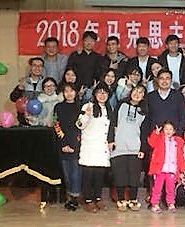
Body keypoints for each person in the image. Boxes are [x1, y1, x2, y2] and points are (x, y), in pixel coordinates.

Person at [109, 84, 149, 212]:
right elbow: (112, 123)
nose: (137, 94)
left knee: (134, 176)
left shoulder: (144, 112)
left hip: (135, 148)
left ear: (143, 97)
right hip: (119, 146)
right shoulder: (121, 105)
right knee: (119, 174)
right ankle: (121, 199)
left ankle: (133, 199)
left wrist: (142, 149)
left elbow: (144, 132)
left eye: (141, 92)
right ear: (131, 92)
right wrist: (110, 140)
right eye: (136, 91)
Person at [77, 82, 113, 213]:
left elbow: (111, 127)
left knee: (99, 175)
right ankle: (87, 199)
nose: (102, 95)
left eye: (105, 93)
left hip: (102, 147)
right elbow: (79, 124)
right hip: (90, 146)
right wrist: (86, 115)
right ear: (94, 94)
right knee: (89, 174)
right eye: (99, 92)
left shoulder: (109, 108)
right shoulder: (88, 106)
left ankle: (98, 198)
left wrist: (111, 141)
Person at [53, 83, 82, 211]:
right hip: (62, 144)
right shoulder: (58, 107)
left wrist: (74, 144)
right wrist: (64, 143)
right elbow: (56, 125)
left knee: (76, 173)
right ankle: (69, 196)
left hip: (77, 145)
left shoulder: (81, 107)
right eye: (66, 91)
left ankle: (75, 198)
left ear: (76, 92)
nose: (69, 93)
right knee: (67, 173)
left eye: (71, 91)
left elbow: (82, 126)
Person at [147, 121, 185, 213]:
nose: (168, 131)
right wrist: (156, 133)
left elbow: (180, 157)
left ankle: (171, 203)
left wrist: (182, 170)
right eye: (166, 129)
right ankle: (155, 204)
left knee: (170, 188)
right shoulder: (159, 139)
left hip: (172, 169)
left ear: (174, 131)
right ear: (163, 130)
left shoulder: (177, 142)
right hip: (160, 169)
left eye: (170, 129)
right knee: (157, 188)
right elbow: (151, 143)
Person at [9, 57, 45, 126]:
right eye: (34, 65)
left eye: (40, 66)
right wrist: (20, 88)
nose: (37, 68)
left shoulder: (46, 83)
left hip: (41, 121)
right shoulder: (24, 82)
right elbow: (13, 98)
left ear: (43, 68)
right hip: (24, 121)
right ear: (30, 67)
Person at [67, 31, 103, 97]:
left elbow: (100, 74)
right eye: (87, 40)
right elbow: (69, 71)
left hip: (92, 90)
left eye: (92, 41)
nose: (89, 43)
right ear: (83, 41)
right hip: (76, 89)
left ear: (95, 42)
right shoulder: (75, 55)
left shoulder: (98, 57)